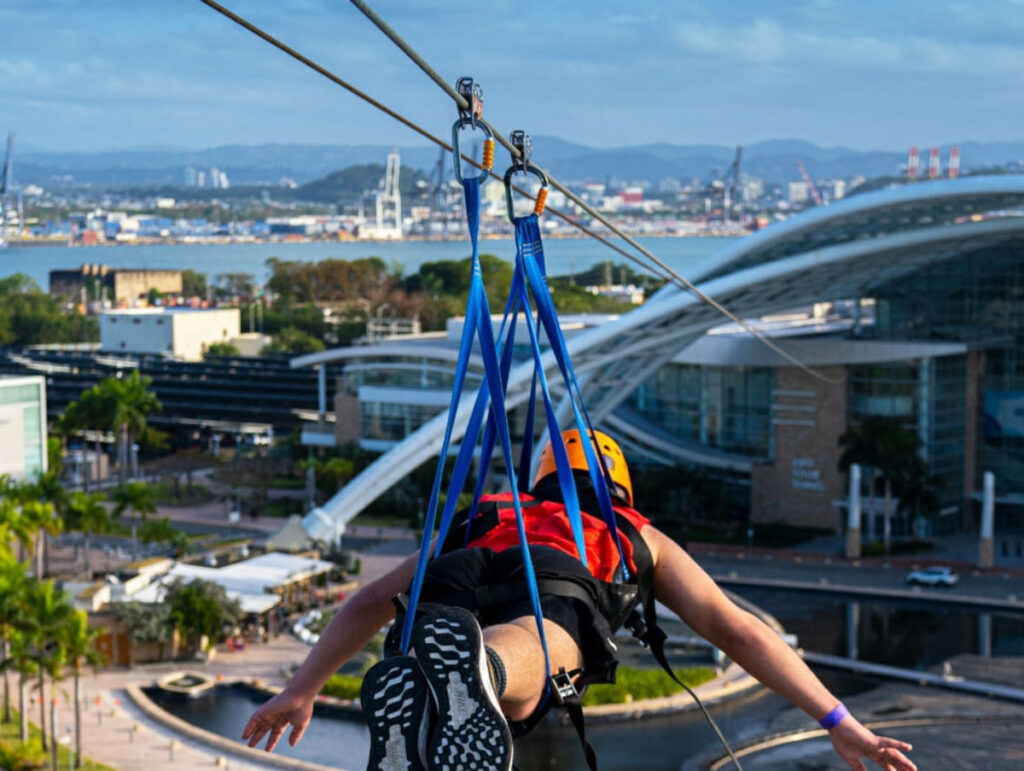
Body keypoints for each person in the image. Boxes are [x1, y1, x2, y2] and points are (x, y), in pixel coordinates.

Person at [242, 430, 916, 771]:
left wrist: (303, 688)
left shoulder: (490, 510)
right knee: (546, 645)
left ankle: (433, 688)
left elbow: (368, 601)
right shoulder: (633, 534)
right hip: (555, 578)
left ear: (537, 478)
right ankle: (481, 673)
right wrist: (837, 719)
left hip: (459, 574)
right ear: (619, 487)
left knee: (463, 634)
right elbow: (741, 633)